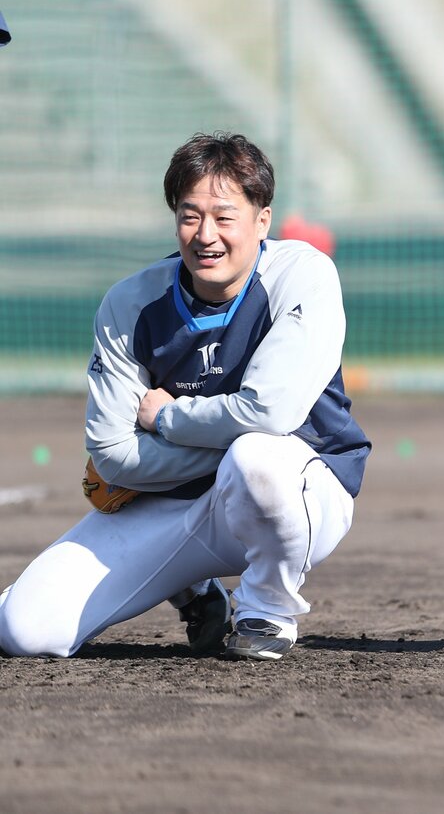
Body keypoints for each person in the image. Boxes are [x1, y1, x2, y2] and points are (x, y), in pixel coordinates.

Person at [0, 132, 370, 660]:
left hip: (298, 495)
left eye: (225, 216)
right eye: (190, 215)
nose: (206, 235)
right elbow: (112, 454)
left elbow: (271, 413)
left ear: (262, 221)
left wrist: (168, 417)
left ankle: (265, 611)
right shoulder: (130, 302)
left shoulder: (303, 274)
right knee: (26, 632)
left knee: (259, 457)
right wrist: (224, 440)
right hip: (173, 502)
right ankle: (194, 588)